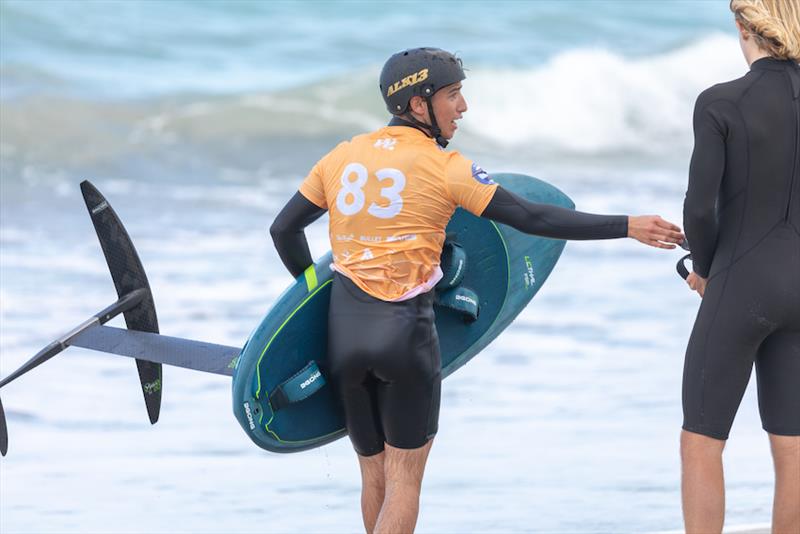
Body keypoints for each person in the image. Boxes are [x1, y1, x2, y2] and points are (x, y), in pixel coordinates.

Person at [270, 47, 683, 534]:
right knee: (405, 483)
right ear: (419, 105)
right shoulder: (446, 168)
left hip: (344, 335)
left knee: (373, 472)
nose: (462, 108)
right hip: (405, 339)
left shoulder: (341, 157)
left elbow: (284, 230)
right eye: (452, 95)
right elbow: (532, 217)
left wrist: (315, 291)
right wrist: (626, 225)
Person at [681, 1, 800, 532]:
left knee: (702, 439)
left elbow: (700, 208)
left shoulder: (721, 102)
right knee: (794, 446)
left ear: (743, 25)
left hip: (742, 282)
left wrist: (704, 268)